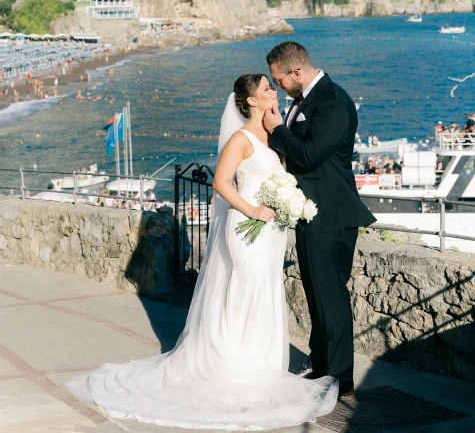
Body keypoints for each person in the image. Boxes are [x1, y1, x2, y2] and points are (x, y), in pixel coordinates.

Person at [64, 73, 337, 428]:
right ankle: (239, 369)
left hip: (272, 233)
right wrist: (252, 210)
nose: (275, 91)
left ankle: (263, 367)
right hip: (246, 230)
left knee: (266, 292)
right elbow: (221, 183)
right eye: (267, 88)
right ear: (251, 101)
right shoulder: (240, 139)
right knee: (246, 292)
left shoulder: (276, 134)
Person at [264, 41, 376, 399]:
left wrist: (277, 130)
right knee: (316, 295)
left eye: (278, 78)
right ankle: (323, 367)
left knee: (331, 297)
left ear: (296, 73)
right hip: (310, 210)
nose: (277, 85)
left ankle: (341, 379)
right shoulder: (305, 99)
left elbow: (310, 156)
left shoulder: (332, 103)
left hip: (331, 212)